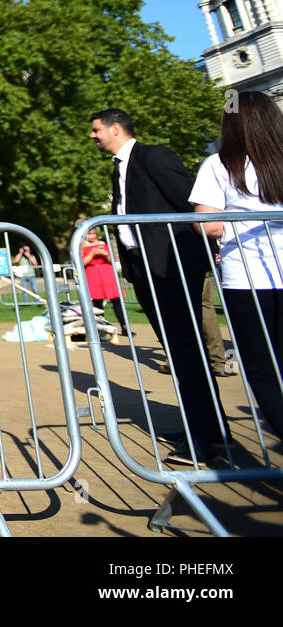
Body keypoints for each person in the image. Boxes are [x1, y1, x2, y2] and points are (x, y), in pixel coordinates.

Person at [89, 109, 228, 464]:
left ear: (115, 129)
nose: (93, 136)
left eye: (96, 130)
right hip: (145, 270)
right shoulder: (118, 167)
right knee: (178, 351)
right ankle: (204, 427)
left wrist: (203, 254)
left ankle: (207, 438)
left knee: (186, 350)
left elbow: (190, 207)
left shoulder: (154, 156)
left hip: (171, 268)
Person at [189, 91, 283, 439]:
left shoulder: (220, 164)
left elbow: (206, 223)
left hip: (248, 277)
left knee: (262, 369)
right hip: (260, 272)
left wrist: (234, 221)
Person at [81, 228, 124, 328]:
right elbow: (82, 262)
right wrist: (92, 253)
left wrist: (105, 254)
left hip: (106, 272)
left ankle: (124, 325)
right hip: (92, 273)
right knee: (97, 301)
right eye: (90, 234)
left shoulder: (102, 244)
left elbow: (112, 260)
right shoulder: (82, 246)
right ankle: (101, 326)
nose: (92, 236)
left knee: (116, 300)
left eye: (94, 234)